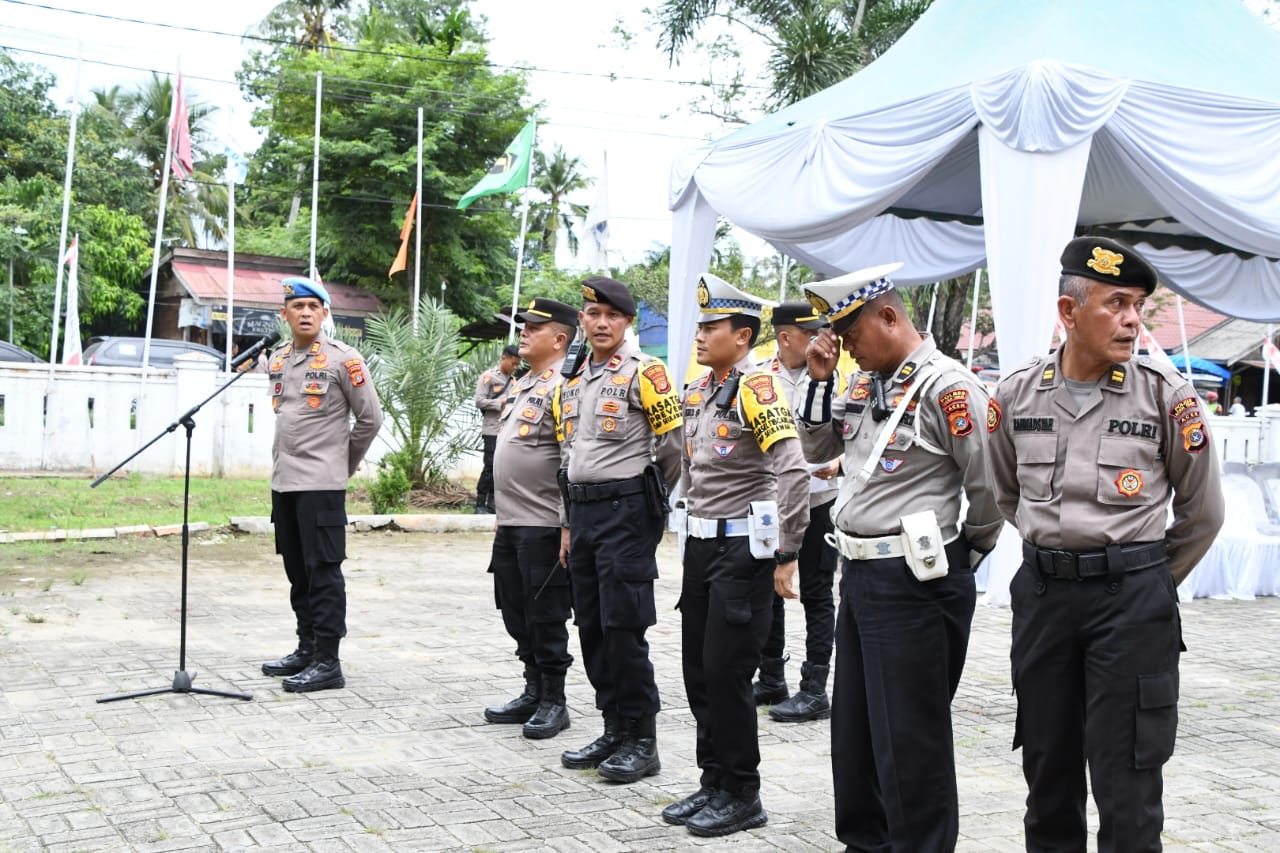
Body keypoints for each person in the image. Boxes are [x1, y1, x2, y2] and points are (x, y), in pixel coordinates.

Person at [987, 236, 1225, 853]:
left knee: (1129, 784)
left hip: (1132, 604)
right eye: (1116, 303)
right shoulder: (1016, 395)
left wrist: (1142, 576)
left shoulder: (1166, 396)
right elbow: (1006, 493)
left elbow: (1204, 513)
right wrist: (1059, 550)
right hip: (1044, 599)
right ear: (1069, 313)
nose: (1131, 320)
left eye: (1138, 306)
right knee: (1047, 772)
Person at [797, 263, 1003, 851]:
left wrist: (969, 550)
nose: (846, 347)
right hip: (859, 573)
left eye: (851, 333)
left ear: (888, 316)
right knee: (855, 733)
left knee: (911, 741)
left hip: (915, 577)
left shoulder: (950, 386)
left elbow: (989, 482)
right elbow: (818, 449)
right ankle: (864, 842)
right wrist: (818, 381)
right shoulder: (863, 383)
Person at [661, 274, 809, 837]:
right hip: (700, 546)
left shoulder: (759, 389)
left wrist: (787, 552)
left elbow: (792, 471)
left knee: (728, 672)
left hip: (744, 549)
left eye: (711, 327)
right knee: (699, 670)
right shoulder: (698, 390)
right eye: (699, 326)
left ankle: (743, 791)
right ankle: (713, 781)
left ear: (742, 336)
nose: (699, 336)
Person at [557, 276, 683, 784]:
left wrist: (652, 504)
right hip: (583, 515)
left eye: (612, 315)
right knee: (590, 625)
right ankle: (613, 726)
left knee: (623, 628)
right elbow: (568, 455)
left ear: (627, 322)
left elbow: (673, 447)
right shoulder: (575, 374)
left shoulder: (647, 373)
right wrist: (567, 524)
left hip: (626, 513)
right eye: (593, 314)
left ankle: (643, 739)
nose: (602, 323)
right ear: (582, 321)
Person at [260, 276, 383, 693]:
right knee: (297, 571)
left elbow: (371, 419)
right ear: (285, 314)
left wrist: (342, 464)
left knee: (323, 571)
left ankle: (329, 661)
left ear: (325, 313)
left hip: (321, 485)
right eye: (298, 307)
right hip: (285, 483)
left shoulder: (343, 360)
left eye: (315, 307)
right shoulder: (277, 360)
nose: (307, 313)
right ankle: (306, 647)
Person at [482, 298, 579, 739]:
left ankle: (554, 699)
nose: (523, 332)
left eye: (533, 327)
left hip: (543, 522)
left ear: (559, 338)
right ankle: (532, 688)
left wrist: (566, 522)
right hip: (513, 521)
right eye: (524, 326)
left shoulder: (566, 385)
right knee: (515, 608)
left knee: (545, 613)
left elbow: (571, 458)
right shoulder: (523, 383)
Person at [751, 302, 841, 722]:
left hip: (820, 502)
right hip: (772, 505)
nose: (823, 341)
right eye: (812, 334)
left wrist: (841, 462)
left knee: (818, 594)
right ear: (787, 338)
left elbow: (855, 436)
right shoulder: (758, 378)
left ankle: (814, 687)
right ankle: (771, 677)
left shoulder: (834, 378)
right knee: (769, 589)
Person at [473, 344, 521, 513]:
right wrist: (500, 402)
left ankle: (493, 503)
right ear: (504, 358)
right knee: (490, 466)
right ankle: (479, 503)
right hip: (491, 429)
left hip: (506, 430)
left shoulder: (515, 382)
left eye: (517, 365)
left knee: (501, 467)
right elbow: (479, 401)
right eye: (513, 363)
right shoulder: (488, 377)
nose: (515, 367)